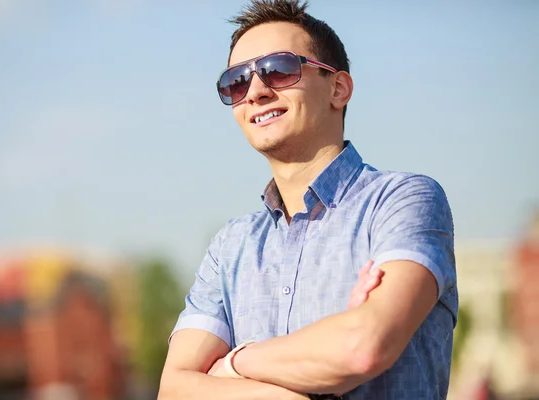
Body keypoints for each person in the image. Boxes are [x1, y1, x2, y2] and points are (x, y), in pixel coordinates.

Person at [158, 0, 458, 399]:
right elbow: (175, 388)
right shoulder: (230, 247)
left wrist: (234, 363)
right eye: (236, 81)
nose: (256, 92)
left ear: (338, 88)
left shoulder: (403, 201)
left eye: (278, 69)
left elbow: (363, 346)